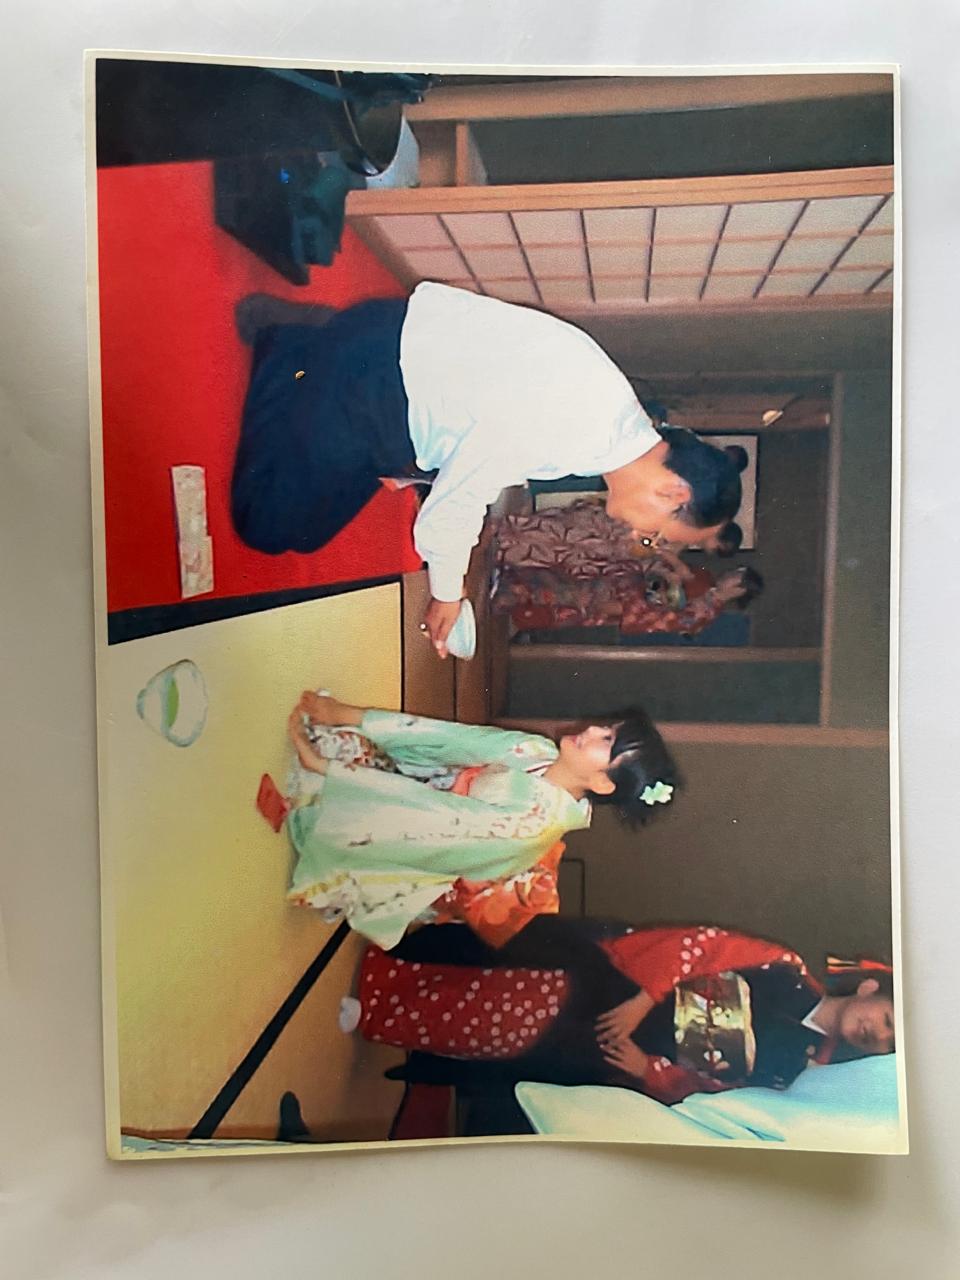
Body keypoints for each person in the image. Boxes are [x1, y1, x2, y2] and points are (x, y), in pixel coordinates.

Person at [230, 283, 745, 655]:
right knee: (269, 526)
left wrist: (412, 474)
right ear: (672, 492)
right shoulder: (585, 423)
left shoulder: (611, 434)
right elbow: (461, 498)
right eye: (656, 531)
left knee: (311, 531)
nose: (640, 533)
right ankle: (290, 348)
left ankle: (321, 349)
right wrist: (446, 596)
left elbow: (481, 448)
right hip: (379, 373)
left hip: (400, 381)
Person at [342, 917, 895, 1105]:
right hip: (620, 988)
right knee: (501, 999)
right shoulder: (786, 969)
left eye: (887, 1043)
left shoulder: (802, 1071)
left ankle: (380, 1019)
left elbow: (712, 1091)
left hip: (635, 1048)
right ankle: (383, 982)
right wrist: (639, 999)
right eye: (889, 1018)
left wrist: (647, 1073)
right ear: (870, 987)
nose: (877, 1033)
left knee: (497, 1043)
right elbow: (697, 945)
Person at [282, 694, 678, 948]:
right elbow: (456, 739)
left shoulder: (531, 826)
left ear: (602, 784)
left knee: (324, 781)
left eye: (606, 741)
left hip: (418, 848)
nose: (592, 729)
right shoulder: (538, 750)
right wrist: (353, 715)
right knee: (343, 737)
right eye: (608, 728)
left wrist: (328, 771)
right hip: (428, 796)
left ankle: (343, 871)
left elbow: (425, 825)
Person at [495, 562, 764, 638]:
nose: (728, 574)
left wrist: (622, 609)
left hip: (621, 605)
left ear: (739, 589)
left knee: (561, 600)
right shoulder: (705, 579)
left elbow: (662, 621)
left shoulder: (706, 612)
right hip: (623, 585)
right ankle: (507, 584)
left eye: (735, 576)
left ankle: (505, 598)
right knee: (562, 583)